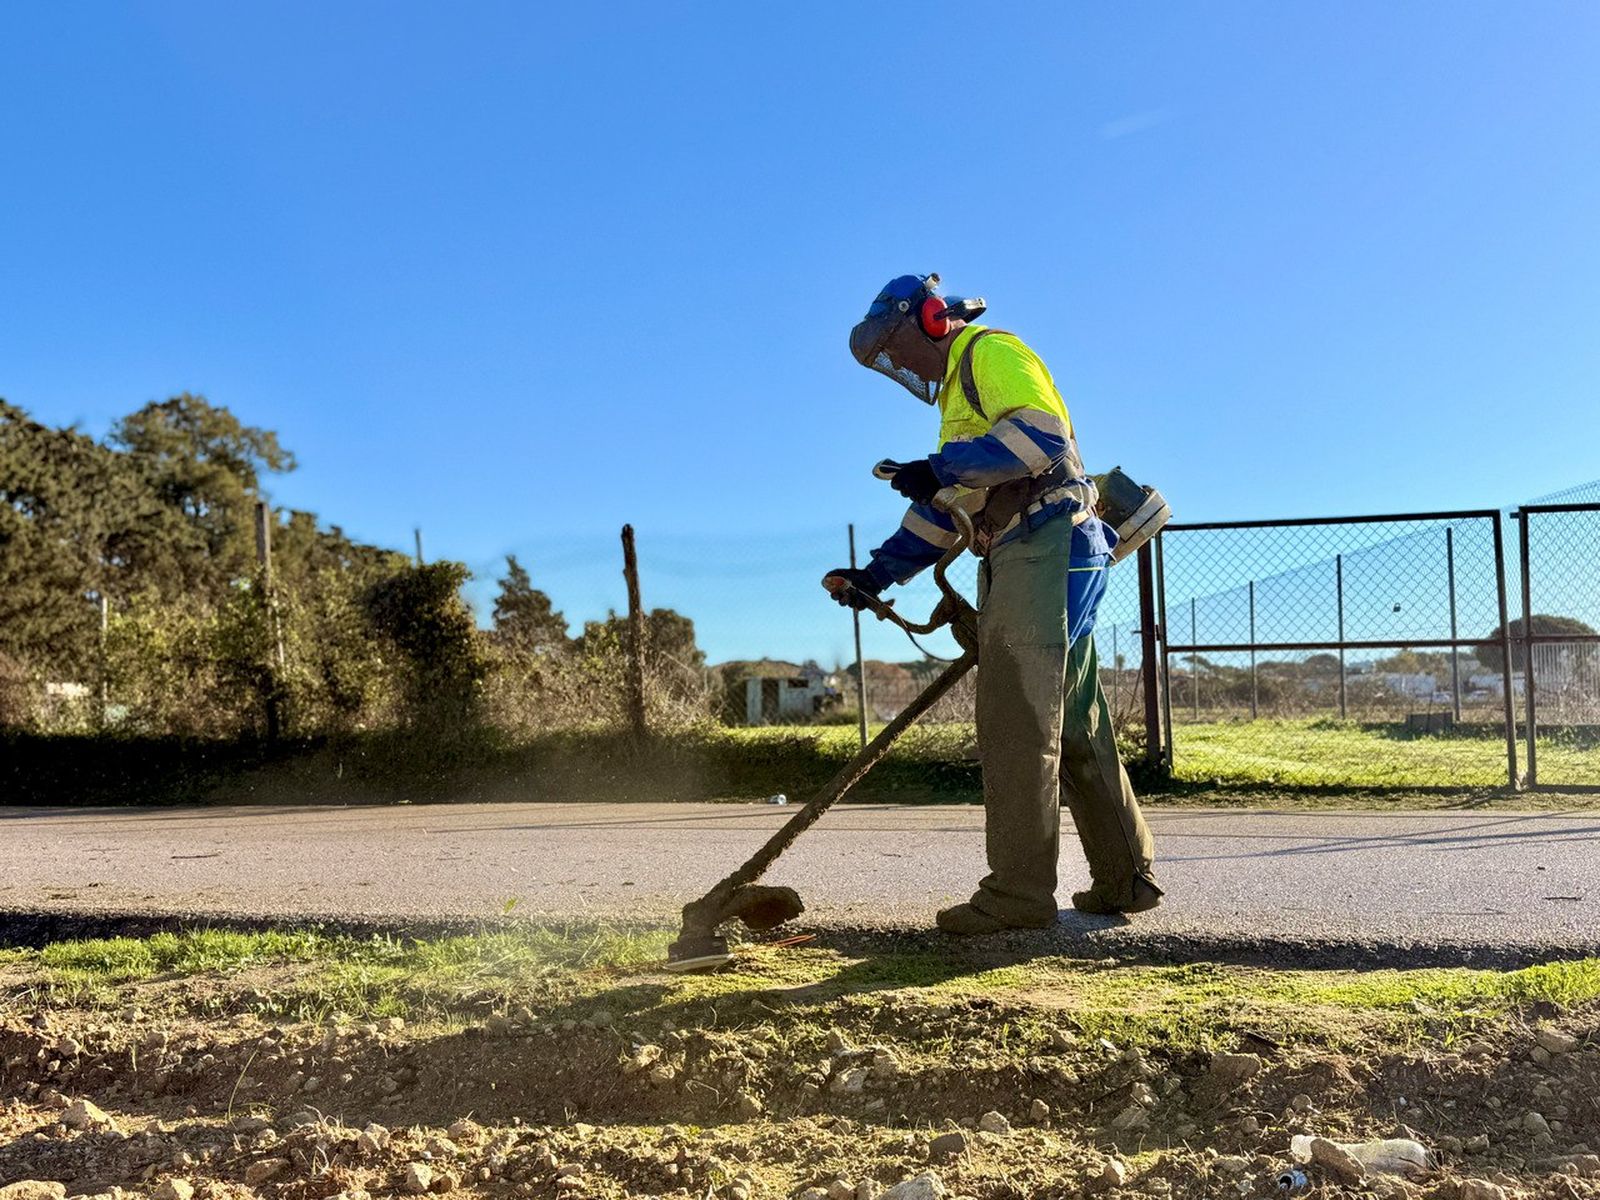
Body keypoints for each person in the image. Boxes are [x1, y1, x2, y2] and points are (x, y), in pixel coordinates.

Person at [824, 273, 1161, 934]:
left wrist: (942, 467)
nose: (896, 364)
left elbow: (1042, 439)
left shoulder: (989, 354)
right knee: (1075, 723)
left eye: (895, 347)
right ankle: (1127, 876)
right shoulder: (957, 397)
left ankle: (1017, 893)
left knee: (1017, 723)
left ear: (928, 319)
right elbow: (951, 507)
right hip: (1053, 547)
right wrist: (878, 574)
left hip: (1045, 540)